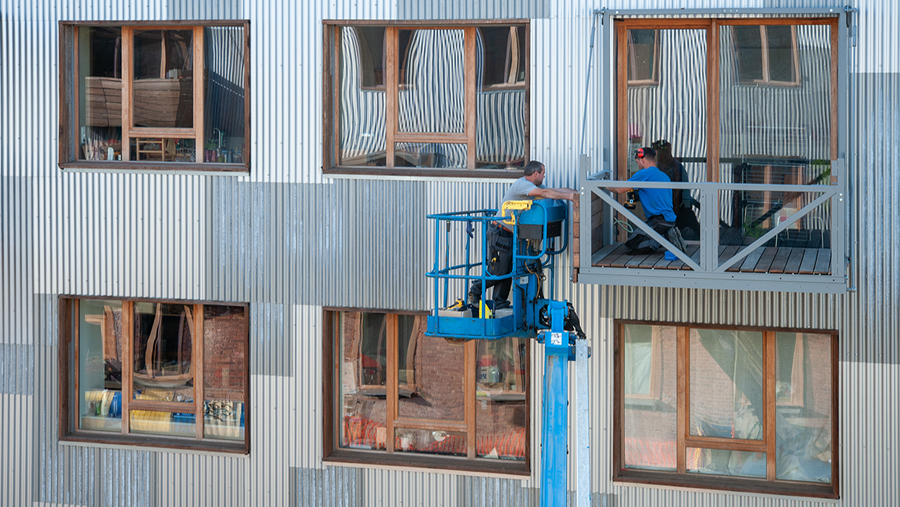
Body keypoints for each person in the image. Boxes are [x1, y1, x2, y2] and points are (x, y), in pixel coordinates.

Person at [468, 160, 577, 306]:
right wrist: (569, 198)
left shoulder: (533, 185)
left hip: (510, 234)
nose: (544, 176)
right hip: (500, 232)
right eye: (543, 173)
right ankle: (475, 290)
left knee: (509, 269)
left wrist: (575, 193)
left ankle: (499, 302)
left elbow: (554, 190)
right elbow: (545, 193)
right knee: (499, 271)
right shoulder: (523, 185)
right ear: (535, 173)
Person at [610, 147, 677, 254]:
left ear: (642, 160)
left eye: (637, 162)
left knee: (631, 246)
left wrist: (603, 184)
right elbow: (657, 197)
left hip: (658, 221)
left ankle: (663, 238)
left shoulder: (644, 174)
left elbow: (619, 189)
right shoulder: (664, 176)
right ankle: (663, 236)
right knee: (639, 238)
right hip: (669, 220)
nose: (638, 166)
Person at [653, 139, 701, 240]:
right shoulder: (660, 166)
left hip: (681, 205)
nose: (660, 156)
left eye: (662, 153)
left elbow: (677, 191)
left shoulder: (676, 167)